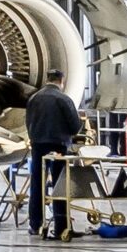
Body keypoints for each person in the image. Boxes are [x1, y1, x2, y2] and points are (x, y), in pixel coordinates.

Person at [23, 69, 85, 237]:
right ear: (61, 81)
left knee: (37, 184)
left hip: (37, 146)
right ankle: (61, 226)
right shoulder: (64, 99)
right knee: (60, 185)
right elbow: (75, 126)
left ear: (47, 79)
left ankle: (35, 224)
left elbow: (27, 122)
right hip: (59, 147)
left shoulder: (34, 98)